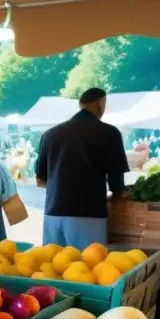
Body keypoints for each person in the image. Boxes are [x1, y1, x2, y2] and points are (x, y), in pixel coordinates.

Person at [35, 87, 129, 249]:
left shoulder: (50, 134)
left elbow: (40, 180)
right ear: (100, 103)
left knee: (53, 268)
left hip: (53, 214)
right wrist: (124, 192)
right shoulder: (109, 133)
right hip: (88, 214)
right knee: (87, 268)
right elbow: (116, 184)